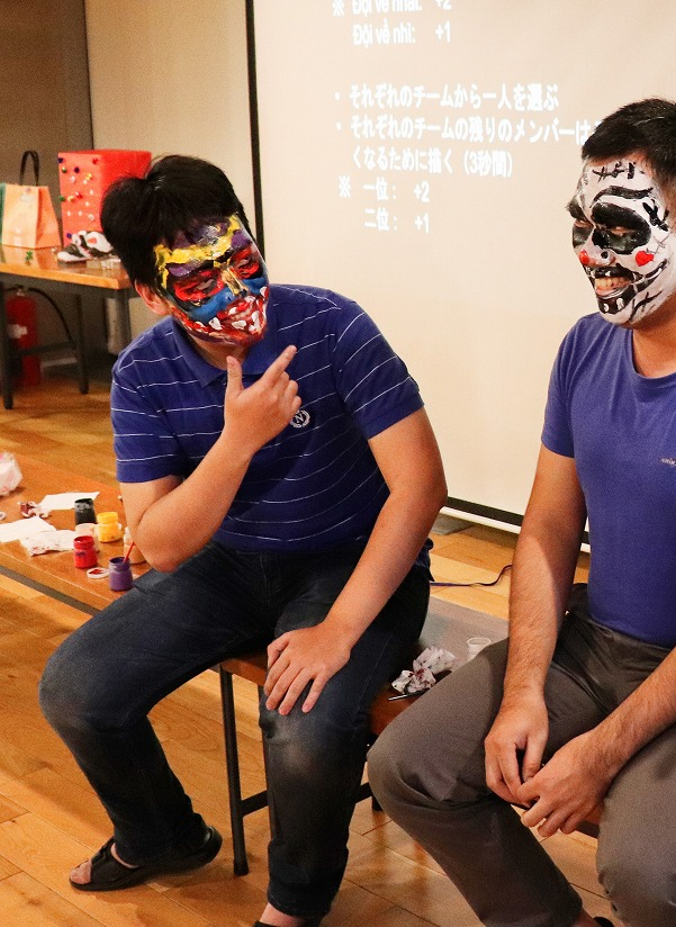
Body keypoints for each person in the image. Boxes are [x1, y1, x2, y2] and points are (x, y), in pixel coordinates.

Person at [368, 98, 676, 927]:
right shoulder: (586, 347)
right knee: (409, 765)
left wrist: (604, 750)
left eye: (618, 228)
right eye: (580, 225)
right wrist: (522, 691)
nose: (593, 253)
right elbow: (547, 529)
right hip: (600, 641)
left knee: (648, 865)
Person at [39, 155, 446, 927]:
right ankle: (161, 836)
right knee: (75, 688)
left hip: (353, 558)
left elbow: (421, 485)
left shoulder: (331, 324)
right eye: (200, 277)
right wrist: (236, 443)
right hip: (227, 562)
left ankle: (296, 900)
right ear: (151, 294)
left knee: (303, 731)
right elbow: (159, 543)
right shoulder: (143, 374)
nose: (235, 289)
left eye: (241, 257)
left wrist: (339, 628)